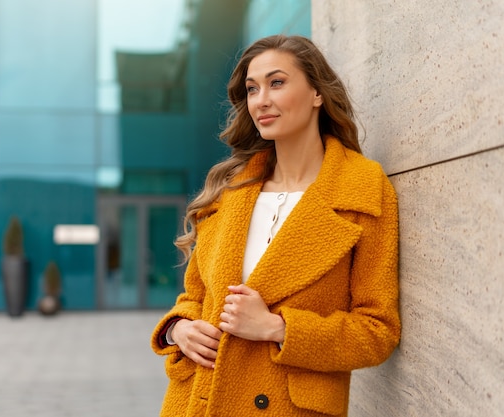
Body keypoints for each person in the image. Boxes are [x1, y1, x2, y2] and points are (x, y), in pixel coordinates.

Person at [151, 34, 400, 417]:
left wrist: (278, 328)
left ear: (317, 93)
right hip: (199, 400)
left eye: (277, 83)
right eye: (252, 89)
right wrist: (179, 330)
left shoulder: (361, 189)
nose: (261, 100)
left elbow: (377, 330)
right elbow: (195, 298)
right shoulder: (229, 189)